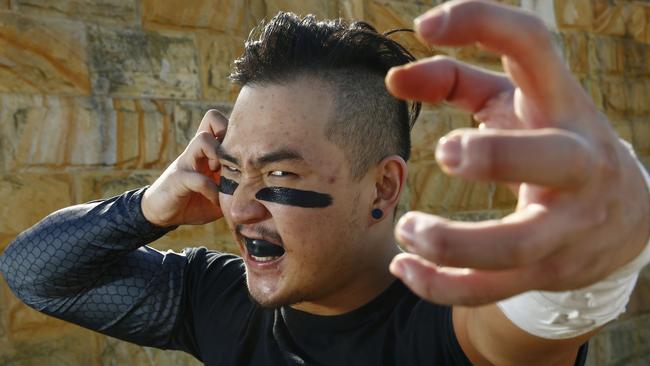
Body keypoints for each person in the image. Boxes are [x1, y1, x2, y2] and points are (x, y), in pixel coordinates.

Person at [1, 1, 649, 365]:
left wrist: (607, 237)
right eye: (233, 171)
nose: (243, 206)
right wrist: (149, 205)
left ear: (383, 187)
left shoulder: (448, 327)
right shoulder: (213, 300)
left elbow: (539, 318)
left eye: (280, 174)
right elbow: (35, 274)